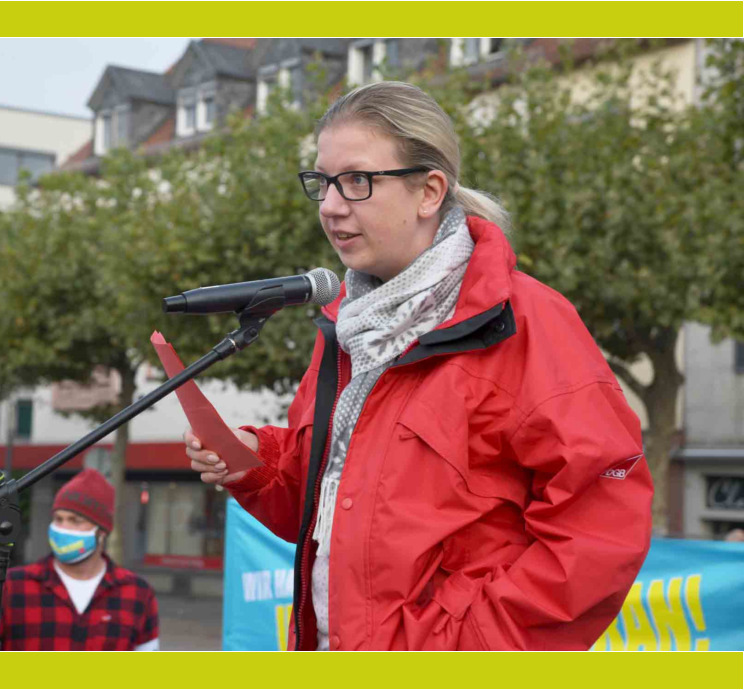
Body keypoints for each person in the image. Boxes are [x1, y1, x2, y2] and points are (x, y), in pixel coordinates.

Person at [185, 81, 654, 651]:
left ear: (430, 190)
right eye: (322, 182)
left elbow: (600, 523)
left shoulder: (530, 321)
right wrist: (258, 463)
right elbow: (337, 505)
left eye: (356, 181)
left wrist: (471, 643)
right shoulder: (344, 325)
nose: (331, 205)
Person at [0, 469, 159, 650]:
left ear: (102, 532)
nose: (63, 527)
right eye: (58, 518)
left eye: (75, 520)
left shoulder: (136, 592)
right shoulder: (14, 586)